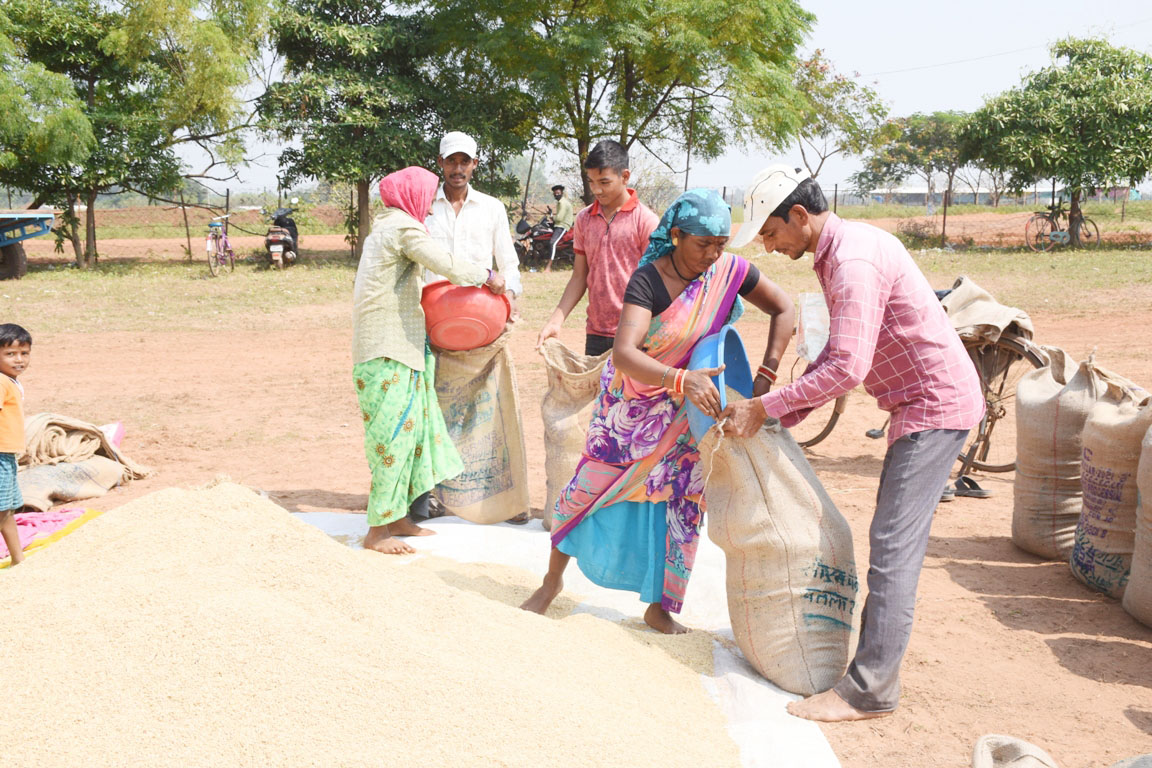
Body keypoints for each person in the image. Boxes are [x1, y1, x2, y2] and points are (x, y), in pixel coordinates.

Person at [721, 165, 985, 722]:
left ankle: (869, 691)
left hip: (934, 405)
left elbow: (847, 367)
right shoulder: (839, 250)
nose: (768, 246)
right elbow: (836, 355)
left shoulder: (852, 262)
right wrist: (789, 414)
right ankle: (870, 680)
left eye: (770, 233)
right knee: (891, 543)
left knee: (891, 550)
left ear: (799, 215)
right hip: (918, 403)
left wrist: (765, 406)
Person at [521, 189, 795, 633]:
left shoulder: (728, 271)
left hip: (692, 413)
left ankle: (660, 608)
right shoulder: (648, 280)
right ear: (676, 235)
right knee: (585, 491)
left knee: (681, 503)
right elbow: (625, 353)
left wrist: (763, 379)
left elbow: (784, 307)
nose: (713, 254)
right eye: (703, 244)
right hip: (631, 409)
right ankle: (551, 584)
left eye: (721, 244)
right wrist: (681, 380)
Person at [353, 166, 507, 555]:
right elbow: (448, 265)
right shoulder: (403, 228)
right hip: (386, 349)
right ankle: (377, 531)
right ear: (413, 197)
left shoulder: (388, 226)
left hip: (398, 345)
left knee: (415, 431)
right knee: (393, 438)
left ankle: (399, 516)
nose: (429, 206)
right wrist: (489, 276)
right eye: (427, 197)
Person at [536, 140, 659, 357]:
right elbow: (579, 276)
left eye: (604, 181)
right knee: (598, 391)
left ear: (625, 176)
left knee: (632, 391)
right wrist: (556, 320)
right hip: (596, 332)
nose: (596, 190)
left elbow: (656, 283)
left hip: (637, 334)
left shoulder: (645, 221)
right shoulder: (584, 219)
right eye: (591, 182)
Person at [425, 131, 523, 312]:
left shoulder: (492, 208)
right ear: (440, 162)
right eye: (451, 161)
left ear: (475, 163)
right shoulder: (424, 208)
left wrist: (509, 294)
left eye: (465, 162)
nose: (458, 169)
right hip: (431, 314)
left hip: (479, 312)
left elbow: (508, 264)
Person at [0, 323, 30, 566]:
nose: (19, 359)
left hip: (6, 454)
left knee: (6, 510)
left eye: (24, 353)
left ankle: (19, 560)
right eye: (10, 354)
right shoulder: (1, 381)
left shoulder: (11, 381)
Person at [544, 183, 574, 271]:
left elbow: (560, 218)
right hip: (559, 224)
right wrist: (551, 214)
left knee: (552, 243)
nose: (556, 195)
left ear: (561, 193)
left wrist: (552, 218)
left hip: (562, 225)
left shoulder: (563, 203)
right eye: (555, 194)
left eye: (558, 193)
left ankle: (548, 267)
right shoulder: (560, 202)